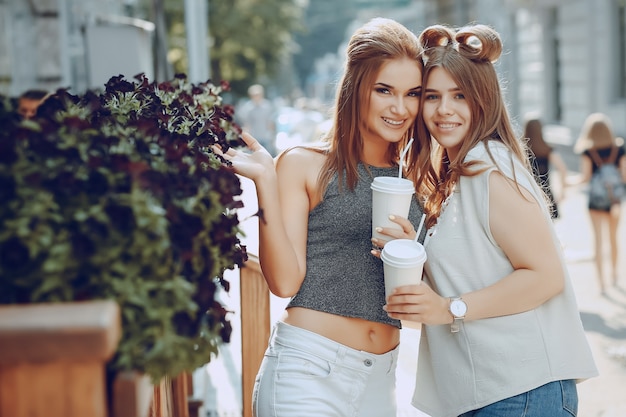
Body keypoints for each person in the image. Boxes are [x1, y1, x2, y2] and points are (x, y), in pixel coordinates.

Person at [383, 24, 598, 417]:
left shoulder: (490, 168)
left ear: (483, 100)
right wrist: (414, 252)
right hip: (489, 392)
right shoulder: (458, 176)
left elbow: (544, 276)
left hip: (521, 392)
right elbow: (470, 275)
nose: (443, 109)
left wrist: (450, 308)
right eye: (432, 96)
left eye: (459, 96)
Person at [219, 17, 424, 417]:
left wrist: (411, 253)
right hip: (308, 371)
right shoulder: (306, 164)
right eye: (384, 90)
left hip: (381, 382)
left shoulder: (414, 178)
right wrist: (266, 182)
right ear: (356, 88)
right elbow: (284, 281)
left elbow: (421, 299)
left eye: (412, 94)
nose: (400, 108)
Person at [574, 112, 626, 292]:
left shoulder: (588, 152)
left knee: (598, 240)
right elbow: (625, 176)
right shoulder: (619, 149)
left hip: (595, 202)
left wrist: (568, 182)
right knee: (613, 239)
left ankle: (601, 283)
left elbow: (585, 178)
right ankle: (614, 276)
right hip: (615, 202)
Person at [523, 116, 569, 219]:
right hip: (546, 193)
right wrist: (562, 191)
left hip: (527, 194)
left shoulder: (521, 149)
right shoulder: (547, 149)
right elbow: (562, 169)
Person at [238, 84, 277, 156]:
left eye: (258, 94)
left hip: (265, 137)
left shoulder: (267, 106)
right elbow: (246, 124)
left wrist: (272, 136)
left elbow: (270, 122)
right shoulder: (248, 108)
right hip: (254, 137)